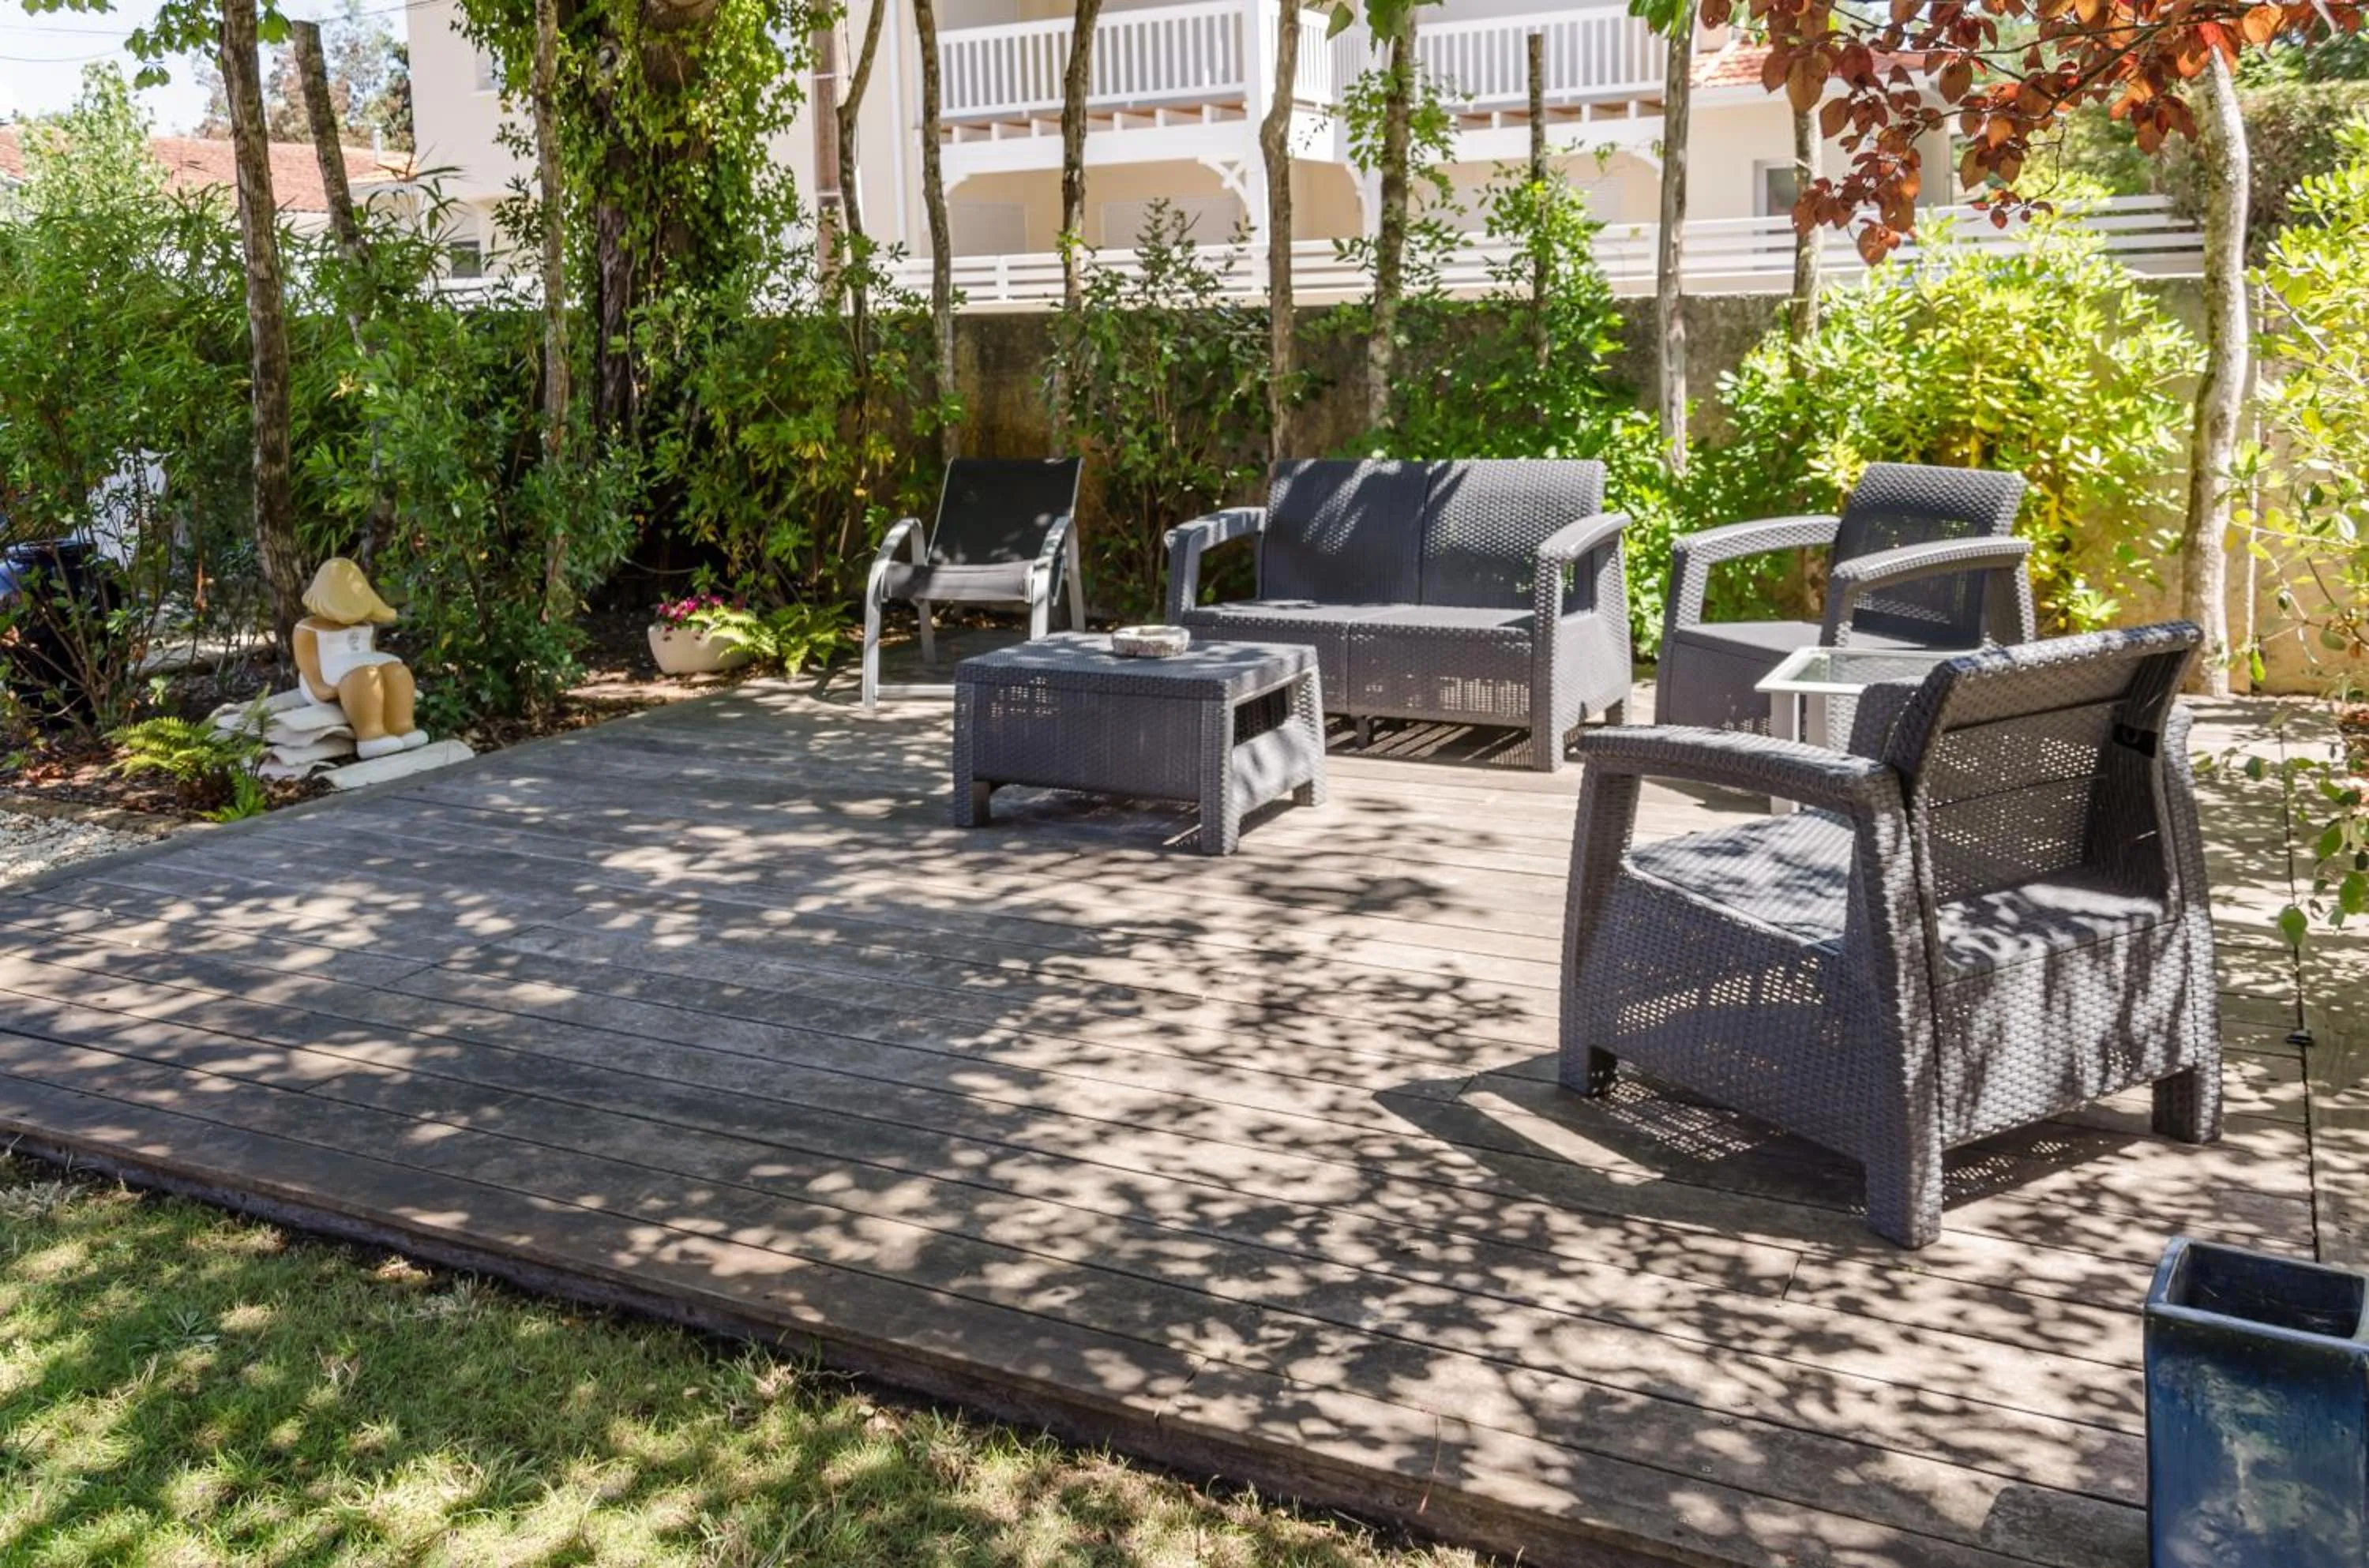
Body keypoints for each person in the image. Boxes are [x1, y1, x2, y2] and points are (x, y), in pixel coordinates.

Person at [292, 558, 426, 760]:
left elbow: (369, 653)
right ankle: (371, 734)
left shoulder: (364, 625)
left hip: (358, 671)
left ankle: (402, 727)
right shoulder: (308, 627)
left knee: (395, 670)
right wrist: (319, 687)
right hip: (326, 677)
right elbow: (307, 663)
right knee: (364, 675)